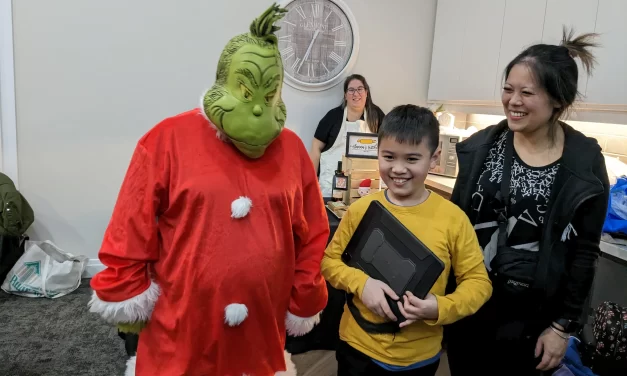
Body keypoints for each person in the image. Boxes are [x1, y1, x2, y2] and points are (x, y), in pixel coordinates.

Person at [87, 5, 329, 376]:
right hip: (181, 334)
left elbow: (312, 232)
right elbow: (130, 225)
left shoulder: (293, 150)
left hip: (260, 337)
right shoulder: (165, 140)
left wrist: (304, 295)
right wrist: (127, 291)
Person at [445, 28, 611, 376]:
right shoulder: (480, 148)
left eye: (526, 92)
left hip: (535, 320)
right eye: (508, 89)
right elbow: (455, 226)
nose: (513, 101)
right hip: (471, 306)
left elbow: (585, 252)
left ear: (557, 101)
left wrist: (562, 327)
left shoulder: (583, 163)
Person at [321, 104, 493, 376]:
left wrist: (440, 307)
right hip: (357, 346)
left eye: (412, 159)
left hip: (418, 358)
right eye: (389, 157)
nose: (398, 169)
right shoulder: (359, 210)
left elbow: (479, 283)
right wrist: (362, 284)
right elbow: (330, 263)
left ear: (434, 158)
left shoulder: (453, 219)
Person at [311, 74, 385, 197]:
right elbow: (315, 147)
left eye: (360, 89)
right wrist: (311, 181)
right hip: (332, 185)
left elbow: (388, 146)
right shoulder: (332, 117)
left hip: (365, 186)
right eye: (351, 90)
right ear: (345, 95)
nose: (355, 94)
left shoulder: (377, 115)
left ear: (366, 92)